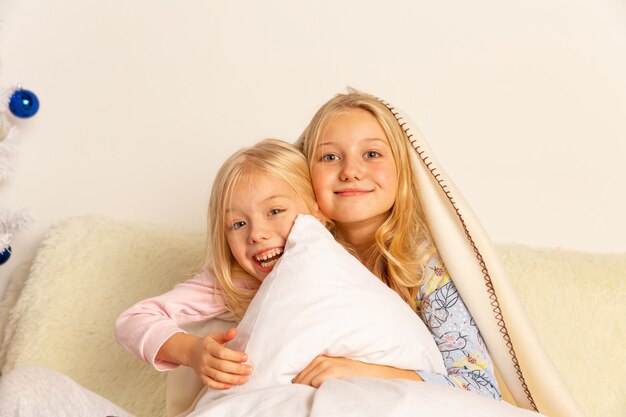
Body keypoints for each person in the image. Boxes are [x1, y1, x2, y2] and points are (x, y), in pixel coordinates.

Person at [292, 88, 501, 398]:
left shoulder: (428, 270)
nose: (350, 171)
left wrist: (362, 373)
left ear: (403, 170)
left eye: (372, 154)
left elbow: (480, 389)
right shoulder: (295, 258)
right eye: (330, 157)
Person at [115, 138, 325, 391]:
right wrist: (191, 350)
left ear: (318, 211)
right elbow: (133, 321)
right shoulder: (232, 283)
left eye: (275, 211)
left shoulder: (349, 267)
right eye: (238, 224)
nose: (256, 234)